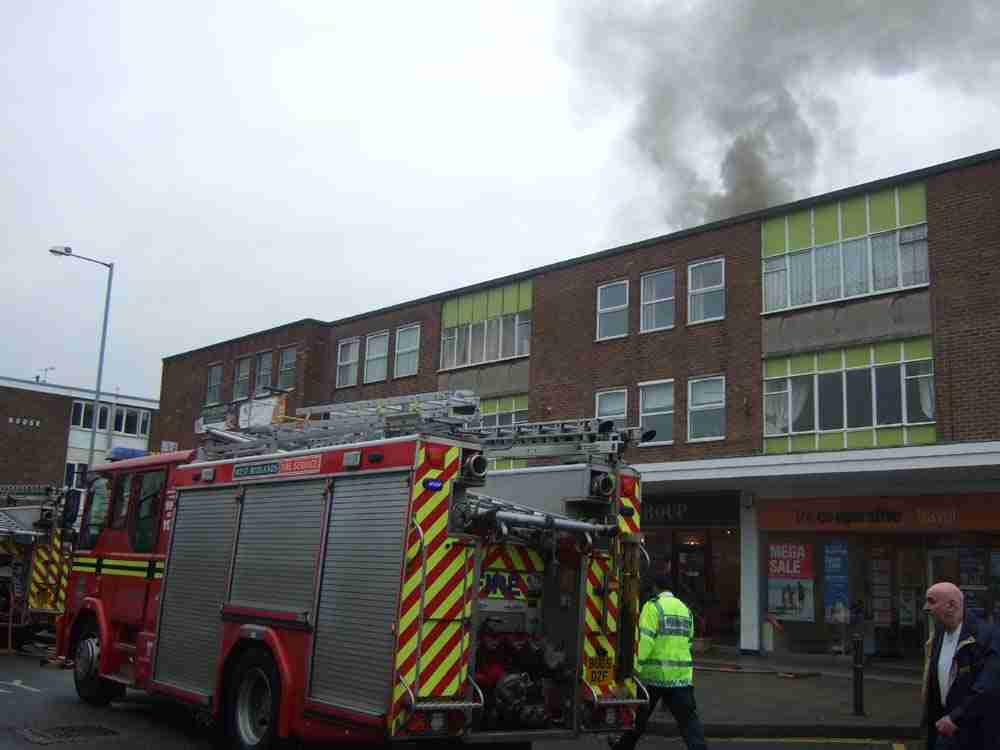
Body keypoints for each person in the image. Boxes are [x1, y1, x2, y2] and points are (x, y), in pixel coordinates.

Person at [612, 563, 707, 750]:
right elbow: (688, 641)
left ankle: (622, 748)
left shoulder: (652, 607)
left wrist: (634, 669)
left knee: (638, 719)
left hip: (654, 676)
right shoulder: (684, 609)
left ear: (656, 588)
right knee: (689, 722)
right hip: (681, 678)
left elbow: (645, 642)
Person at [922, 581, 1000, 750]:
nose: (925, 608)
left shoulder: (987, 637)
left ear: (951, 605)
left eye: (931, 601)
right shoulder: (938, 635)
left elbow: (987, 687)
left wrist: (955, 717)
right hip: (943, 731)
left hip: (975, 734)